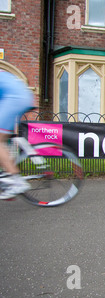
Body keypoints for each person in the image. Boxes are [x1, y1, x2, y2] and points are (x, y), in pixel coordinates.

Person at [0, 70, 34, 200]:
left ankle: (15, 180)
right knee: (2, 141)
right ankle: (8, 179)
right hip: (19, 95)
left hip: (14, 98)